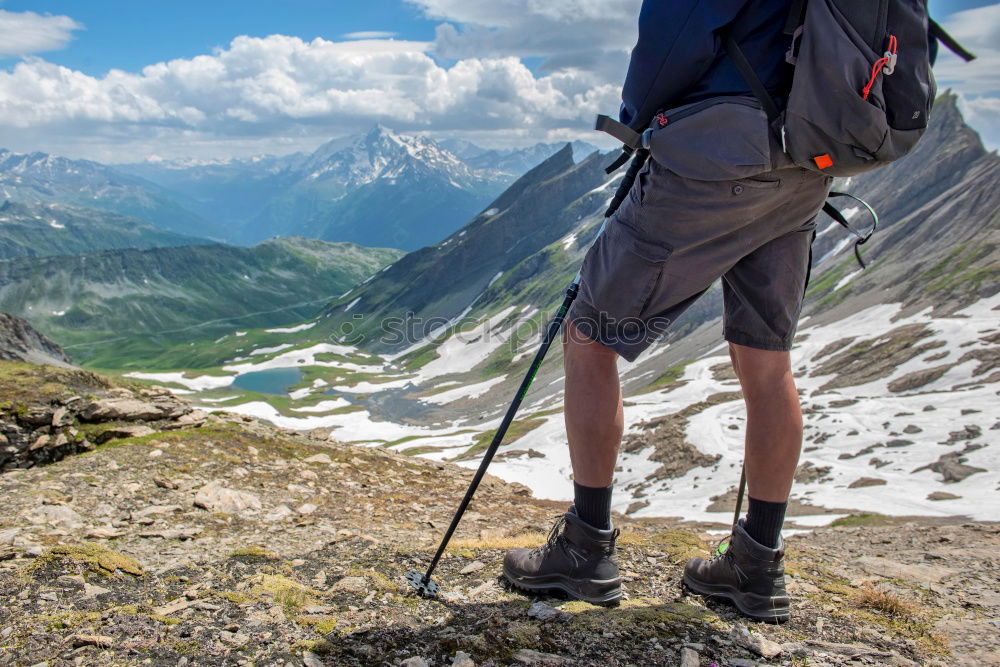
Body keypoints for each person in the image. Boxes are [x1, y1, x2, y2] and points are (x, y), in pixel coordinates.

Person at [503, 0, 830, 623]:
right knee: (767, 364)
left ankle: (585, 548)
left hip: (716, 155)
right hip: (809, 160)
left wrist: (640, 119)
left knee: (589, 335)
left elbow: (672, 34)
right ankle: (756, 566)